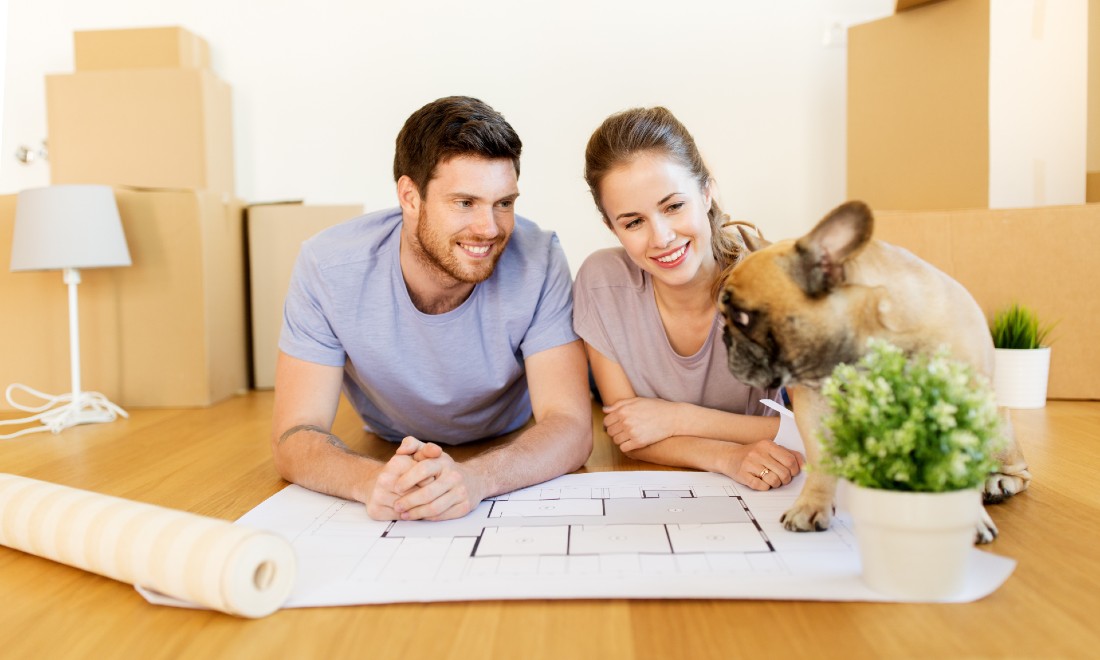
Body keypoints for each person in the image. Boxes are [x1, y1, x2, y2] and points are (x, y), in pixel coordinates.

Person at [272, 96, 592, 521]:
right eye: (465, 203)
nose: (490, 229)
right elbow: (295, 433)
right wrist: (371, 481)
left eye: (504, 203)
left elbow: (570, 424)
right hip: (389, 441)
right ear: (409, 196)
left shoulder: (539, 257)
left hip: (507, 438)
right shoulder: (328, 267)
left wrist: (476, 478)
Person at [574, 106, 803, 491]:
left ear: (707, 191)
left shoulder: (772, 285)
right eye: (633, 222)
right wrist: (726, 456)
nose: (661, 237)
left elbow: (822, 432)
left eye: (674, 206)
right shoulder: (601, 284)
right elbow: (631, 434)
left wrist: (678, 418)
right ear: (611, 227)